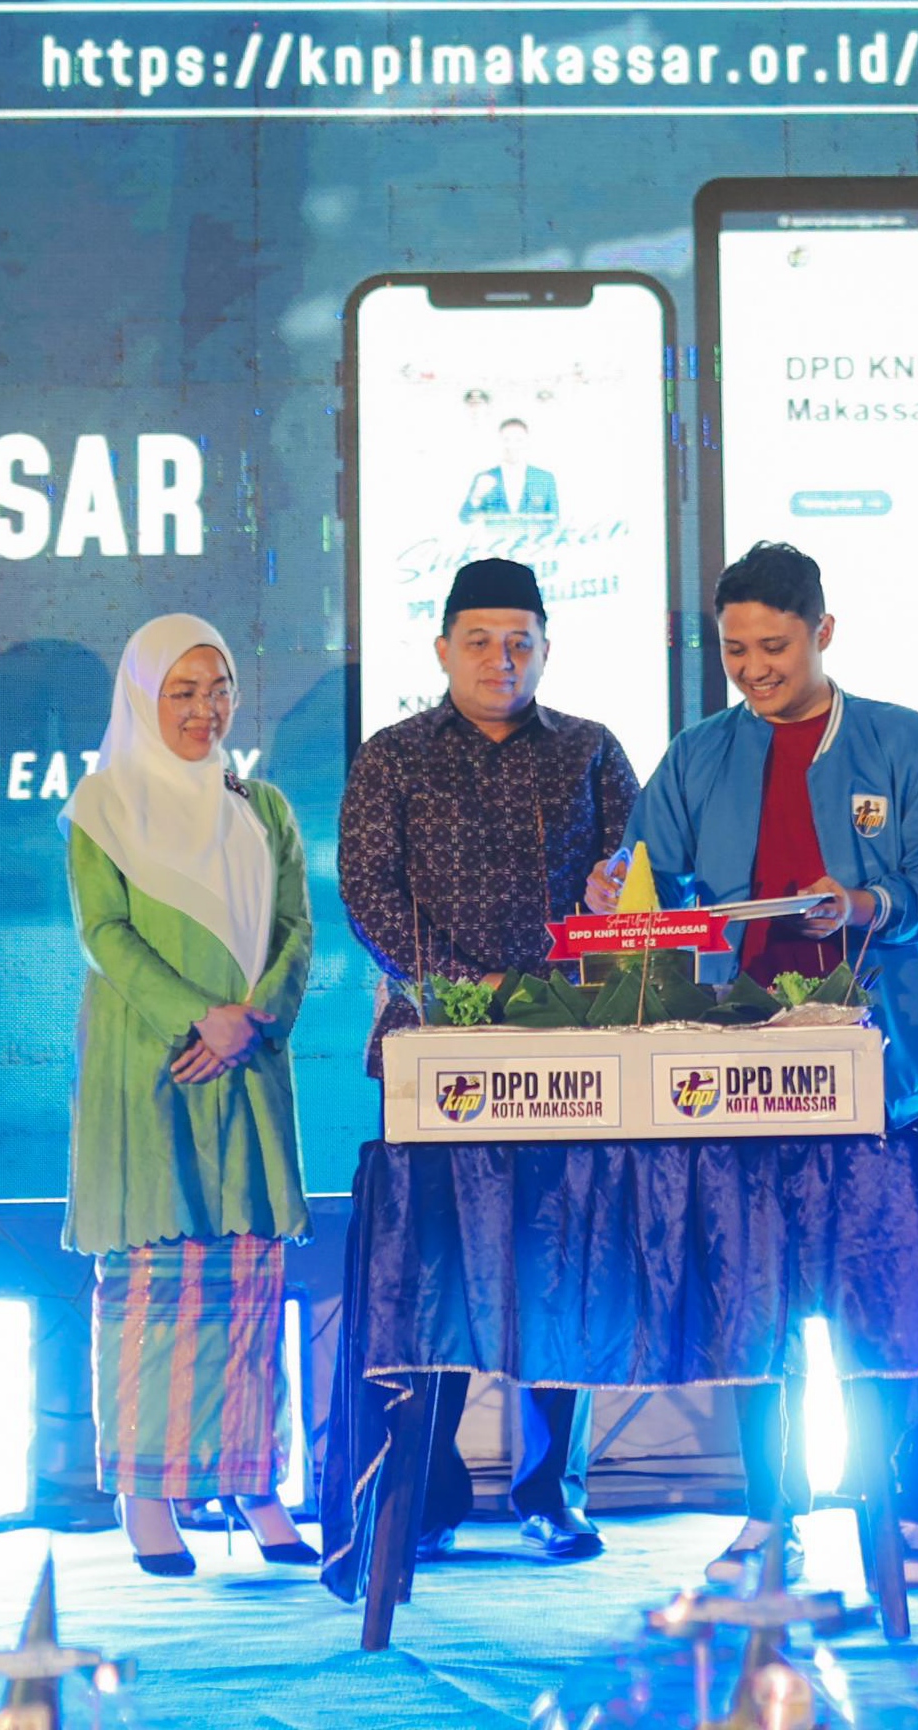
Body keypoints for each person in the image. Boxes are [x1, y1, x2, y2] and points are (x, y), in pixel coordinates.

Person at [591, 540, 918, 1589]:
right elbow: (646, 882)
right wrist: (614, 889)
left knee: (886, 1298)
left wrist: (866, 903)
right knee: (751, 1304)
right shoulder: (699, 756)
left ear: (823, 633)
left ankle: (917, 1514)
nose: (754, 670)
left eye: (775, 647)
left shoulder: (903, 742)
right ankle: (771, 1517)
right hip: (740, 1069)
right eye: (735, 651)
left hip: (876, 1072)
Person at [338, 556, 638, 1562]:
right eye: (478, 641)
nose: (499, 660)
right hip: (436, 1052)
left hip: (568, 1050)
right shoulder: (391, 758)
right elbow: (369, 895)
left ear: (546, 649)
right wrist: (472, 990)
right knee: (434, 1271)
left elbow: (641, 880)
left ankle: (551, 1493)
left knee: (561, 1266)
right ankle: (426, 1497)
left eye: (519, 643)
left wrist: (616, 896)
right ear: (442, 649)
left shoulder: (593, 752)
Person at [62, 615, 317, 1576]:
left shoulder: (264, 808)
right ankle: (146, 1495)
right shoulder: (103, 805)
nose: (205, 710)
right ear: (142, 697)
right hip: (152, 1067)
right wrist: (197, 1018)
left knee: (247, 1287)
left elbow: (295, 931)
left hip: (247, 1063)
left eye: (219, 690)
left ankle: (254, 1484)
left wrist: (251, 1018)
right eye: (182, 691)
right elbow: (105, 934)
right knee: (152, 1290)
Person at [459, 419, 559, 521]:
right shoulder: (484, 477)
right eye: (506, 440)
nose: (512, 445)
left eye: (519, 440)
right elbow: (464, 518)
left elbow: (555, 520)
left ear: (527, 442)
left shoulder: (544, 478)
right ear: (498, 443)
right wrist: (476, 496)